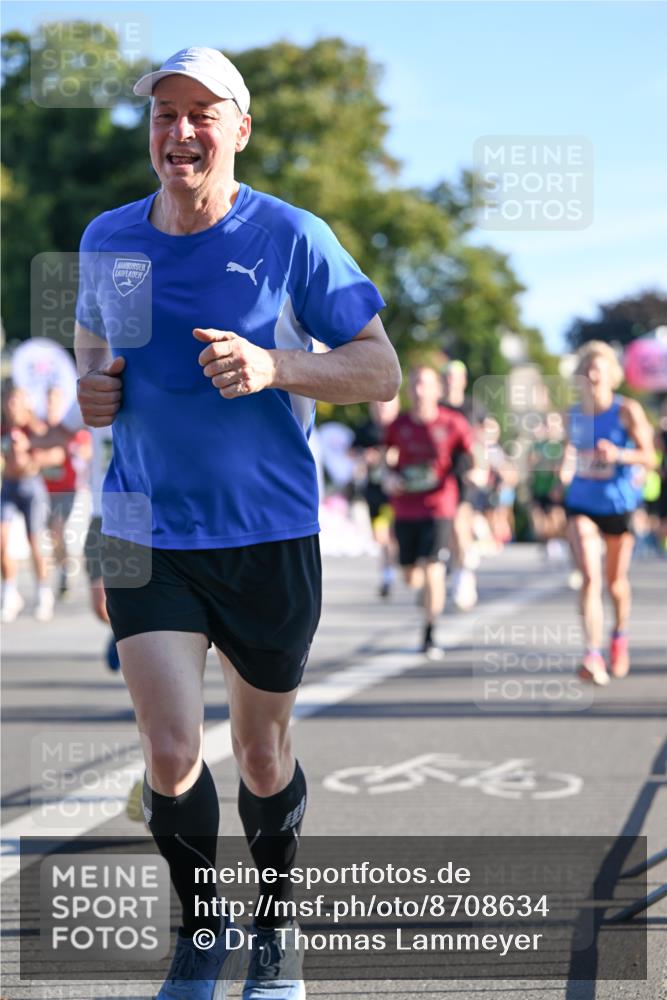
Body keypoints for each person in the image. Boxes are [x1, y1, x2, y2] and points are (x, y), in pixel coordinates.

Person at [74, 46, 401, 1000]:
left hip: (267, 534)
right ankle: (201, 931)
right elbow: (95, 337)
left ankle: (276, 926)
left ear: (239, 130)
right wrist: (96, 385)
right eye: (163, 115)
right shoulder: (106, 237)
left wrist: (277, 367)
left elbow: (379, 371)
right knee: (172, 754)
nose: (179, 132)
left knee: (261, 752)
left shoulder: (293, 235)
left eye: (200, 116)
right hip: (145, 533)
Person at [560, 341, 656, 684]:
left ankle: (619, 636)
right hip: (581, 502)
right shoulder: (573, 414)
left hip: (618, 503)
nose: (592, 374)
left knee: (615, 584)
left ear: (612, 375)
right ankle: (592, 653)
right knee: (590, 576)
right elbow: (570, 451)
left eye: (598, 368)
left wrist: (619, 455)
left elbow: (650, 457)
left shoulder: (626, 410)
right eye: (586, 369)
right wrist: (564, 468)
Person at [385, 364, 474, 658]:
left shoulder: (453, 422)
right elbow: (385, 460)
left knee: (433, 567)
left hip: (439, 506)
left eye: (426, 385)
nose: (420, 391)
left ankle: (429, 633)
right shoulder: (399, 426)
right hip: (406, 508)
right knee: (412, 576)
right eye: (415, 385)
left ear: (438, 390)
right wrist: (389, 477)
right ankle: (427, 593)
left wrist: (474, 471)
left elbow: (471, 454)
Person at [1, 384, 57, 622]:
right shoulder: (4, 428)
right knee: (2, 539)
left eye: (15, 401)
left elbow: (57, 454)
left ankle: (44, 592)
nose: (11, 406)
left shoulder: (35, 428)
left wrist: (33, 456)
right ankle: (10, 592)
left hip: (31, 487)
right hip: (8, 488)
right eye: (8, 401)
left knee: (35, 541)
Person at [43, 386, 92, 598]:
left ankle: (68, 573)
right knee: (54, 536)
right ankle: (64, 570)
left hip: (71, 489)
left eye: (55, 400)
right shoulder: (42, 430)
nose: (51, 405)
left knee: (59, 528)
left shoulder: (75, 429)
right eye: (49, 400)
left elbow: (89, 451)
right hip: (46, 491)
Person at [440, 360, 480, 610]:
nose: (451, 381)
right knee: (451, 529)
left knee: (459, 525)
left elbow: (486, 436)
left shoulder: (473, 407)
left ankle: (463, 575)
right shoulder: (438, 406)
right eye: (447, 377)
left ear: (463, 380)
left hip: (465, 473)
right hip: (441, 474)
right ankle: (458, 566)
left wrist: (481, 467)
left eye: (455, 377)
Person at [352, 397, 400, 597]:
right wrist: (365, 457)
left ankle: (392, 570)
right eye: (377, 404)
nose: (381, 408)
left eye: (385, 404)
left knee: (393, 534)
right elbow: (352, 451)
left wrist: (393, 456)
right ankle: (387, 573)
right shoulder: (366, 429)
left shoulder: (402, 427)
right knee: (382, 535)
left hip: (399, 493)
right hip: (375, 491)